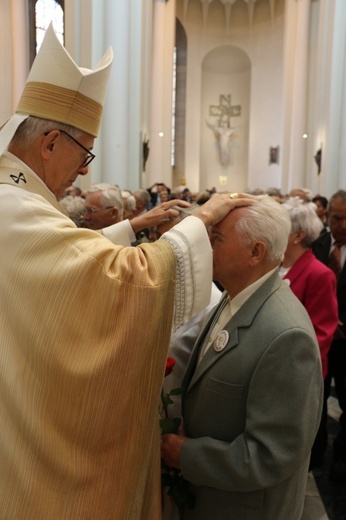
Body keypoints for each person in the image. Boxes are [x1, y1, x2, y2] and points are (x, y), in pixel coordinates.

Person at [0, 25, 255, 519]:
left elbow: (62, 261)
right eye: (85, 151)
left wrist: (129, 226)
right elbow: (117, 279)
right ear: (51, 141)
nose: (84, 169)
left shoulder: (15, 201)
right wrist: (202, 219)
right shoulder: (20, 208)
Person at [161, 195, 323, 520]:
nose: (207, 246)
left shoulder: (286, 335)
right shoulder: (234, 296)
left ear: (256, 252)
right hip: (214, 499)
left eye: (217, 239)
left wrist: (187, 455)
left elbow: (271, 455)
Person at [279, 197, 338, 469]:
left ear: (298, 235)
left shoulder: (319, 273)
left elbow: (321, 333)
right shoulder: (277, 266)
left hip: (300, 370)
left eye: (280, 226)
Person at [311, 189, 346, 483]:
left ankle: (342, 458)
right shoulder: (318, 245)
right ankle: (317, 453)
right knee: (316, 399)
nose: (343, 225)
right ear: (327, 216)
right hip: (321, 339)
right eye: (337, 218)